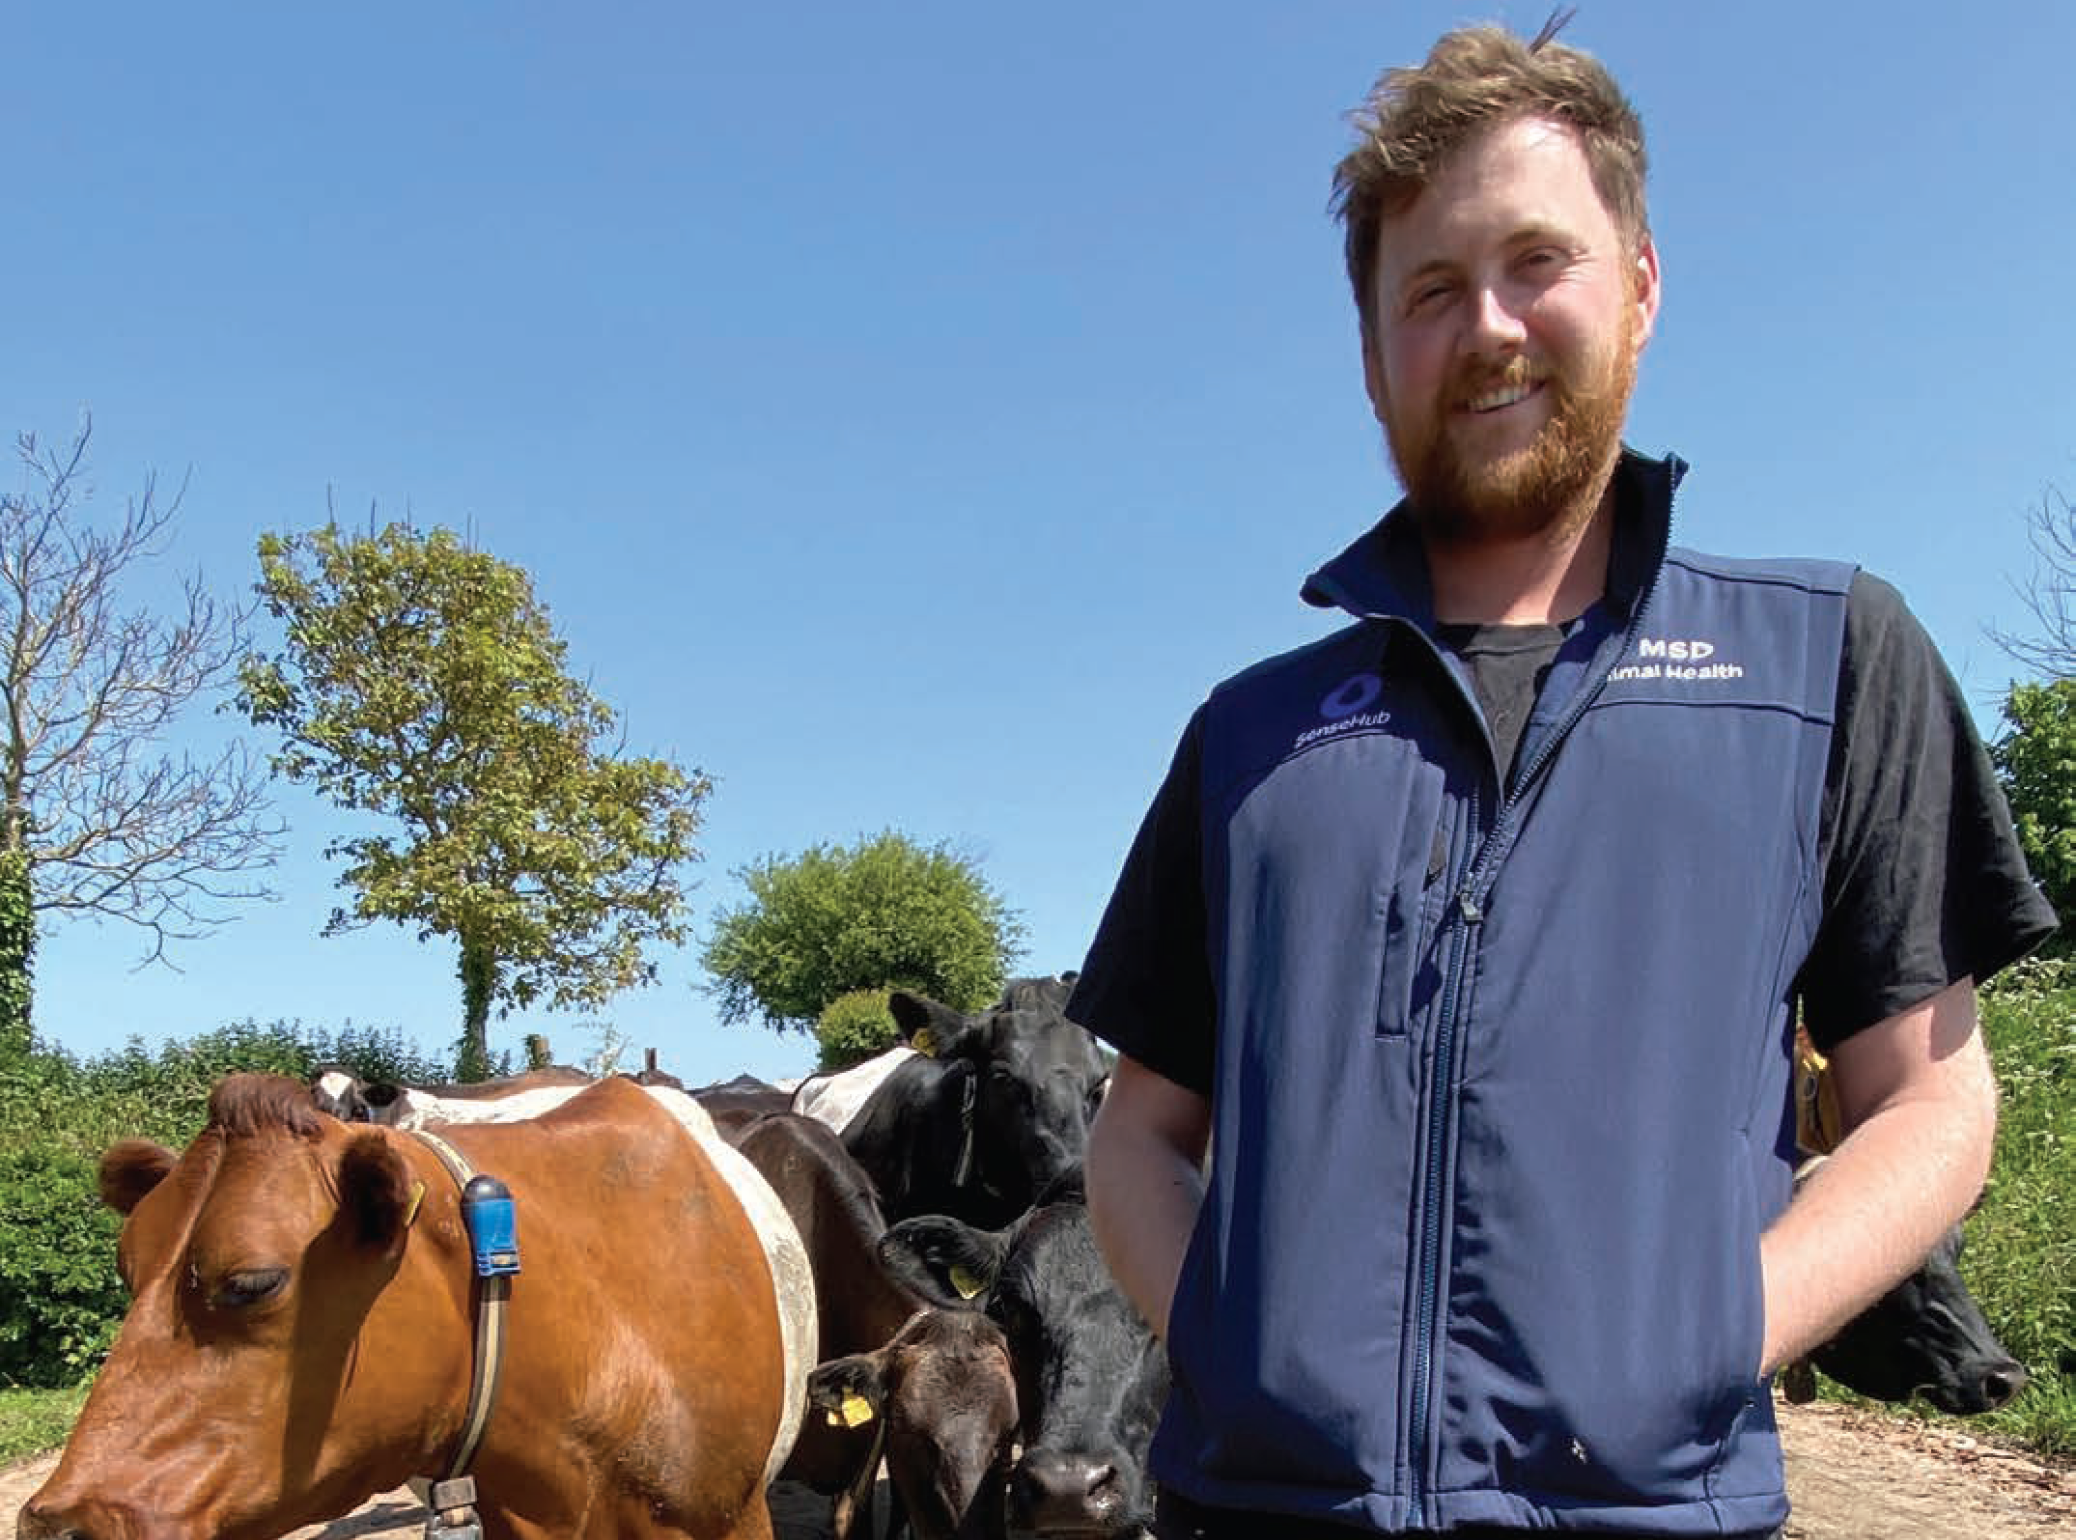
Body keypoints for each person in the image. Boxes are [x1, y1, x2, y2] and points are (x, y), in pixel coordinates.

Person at [1068, 19, 2055, 1540]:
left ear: (1642, 285)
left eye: (1539, 261)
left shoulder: (1827, 661)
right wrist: (1229, 1336)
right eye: (1433, 291)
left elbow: (1930, 1100)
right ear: (1374, 348)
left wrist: (1713, 1330)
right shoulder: (1248, 738)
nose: (1491, 327)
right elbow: (1139, 1133)